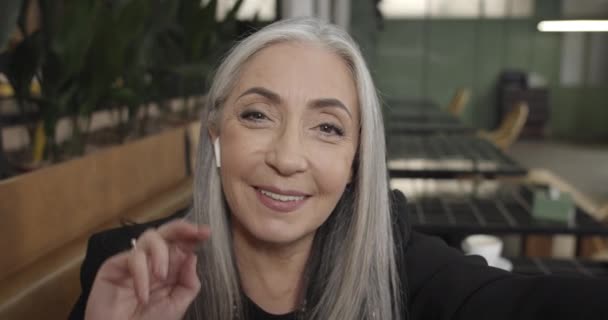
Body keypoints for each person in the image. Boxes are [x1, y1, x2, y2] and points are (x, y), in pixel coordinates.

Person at [70, 18, 608, 320]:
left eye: (328, 127)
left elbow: (524, 306)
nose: (286, 157)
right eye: (257, 115)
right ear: (217, 136)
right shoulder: (129, 274)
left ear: (355, 163)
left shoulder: (395, 262)